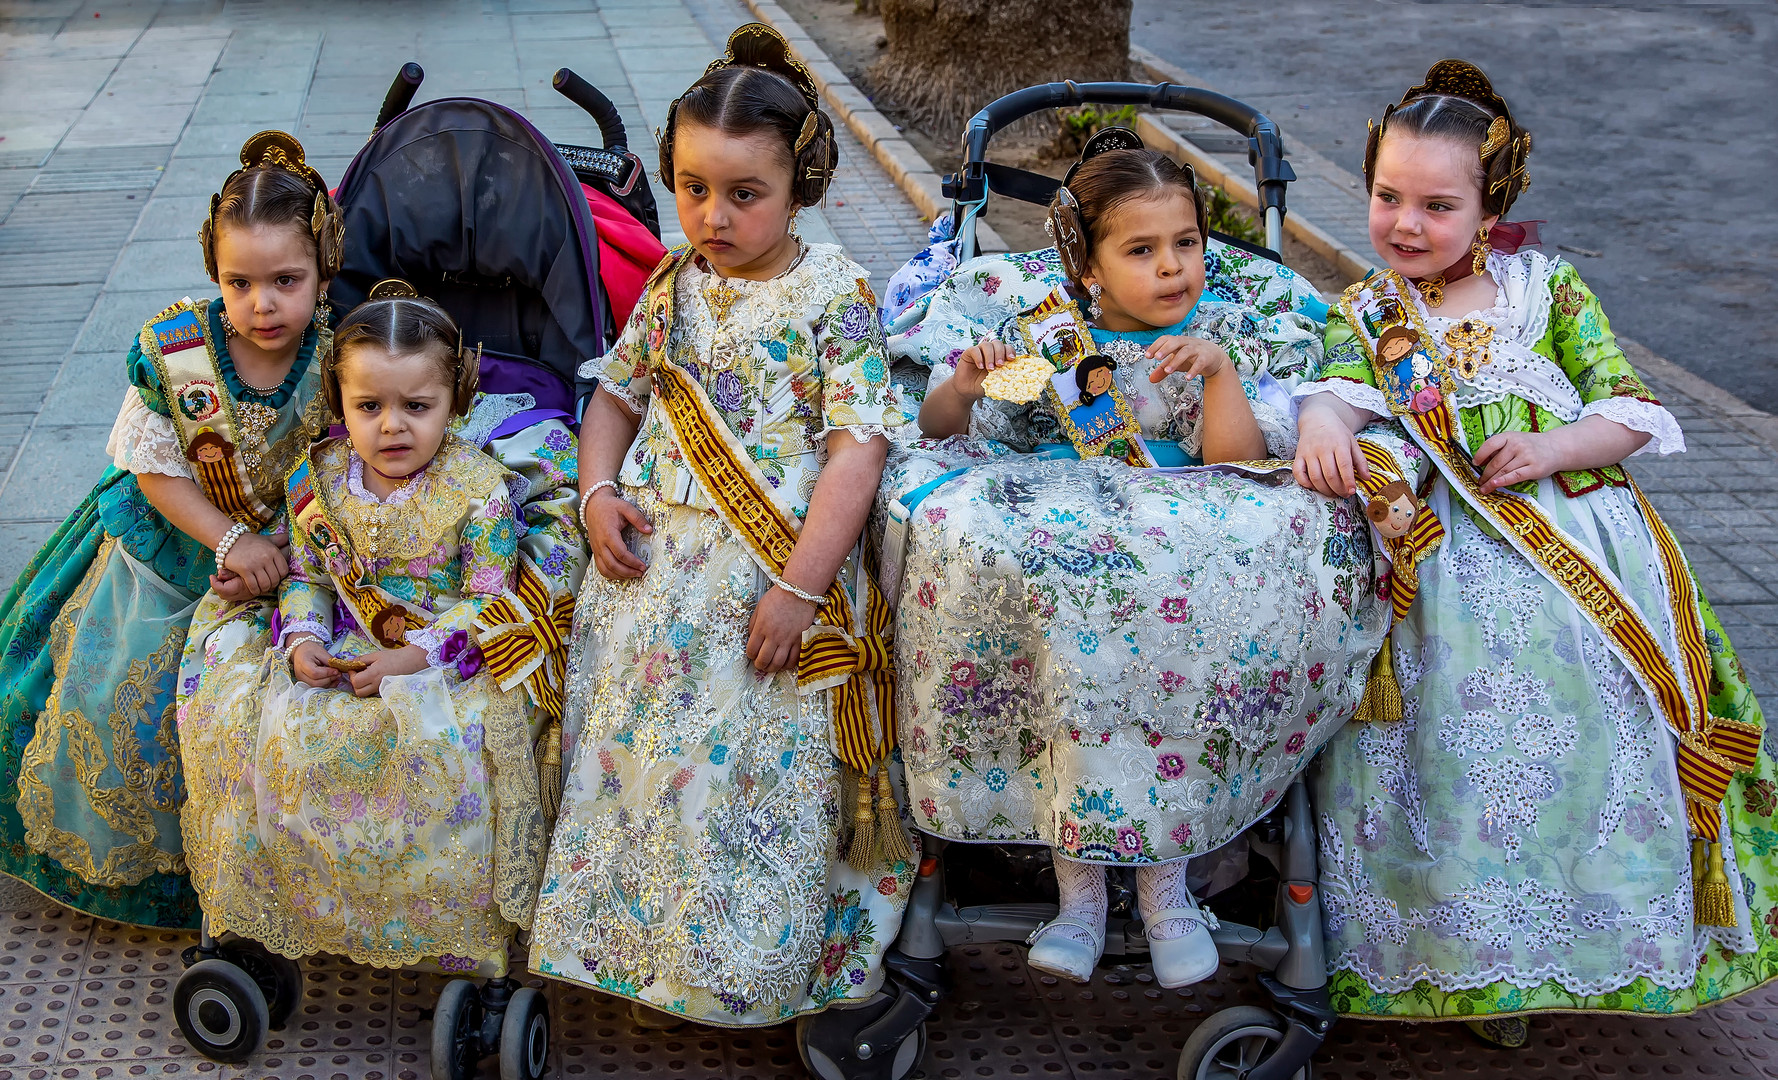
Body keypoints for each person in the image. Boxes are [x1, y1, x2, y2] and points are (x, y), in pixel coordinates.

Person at [1294, 60, 1775, 1046]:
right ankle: (1464, 958)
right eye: (1387, 197)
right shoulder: (1367, 315)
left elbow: (1629, 409)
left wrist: (1553, 444)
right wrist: (1319, 422)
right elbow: (1335, 389)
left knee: (1590, 742)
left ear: (1488, 205)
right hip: (1442, 581)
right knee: (1446, 758)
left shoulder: (1543, 291)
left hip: (1573, 554)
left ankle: (1588, 944)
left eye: (1435, 204)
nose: (1404, 225)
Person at [894, 129, 1387, 988]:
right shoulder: (1048, 340)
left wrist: (1220, 375)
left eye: (1187, 244)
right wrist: (968, 385)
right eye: (1142, 250)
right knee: (1074, 665)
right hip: (1071, 548)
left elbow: (1235, 466)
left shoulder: (1216, 334)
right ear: (1087, 267)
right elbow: (941, 430)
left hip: (1177, 555)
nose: (1173, 269)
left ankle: (1168, 892)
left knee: (1163, 656)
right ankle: (1077, 893)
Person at [526, 23, 913, 1028]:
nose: (712, 214)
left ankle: (739, 962)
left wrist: (799, 589)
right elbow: (614, 395)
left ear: (801, 184)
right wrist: (595, 491)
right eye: (693, 187)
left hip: (769, 586)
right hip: (650, 579)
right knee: (636, 764)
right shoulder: (668, 282)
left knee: (743, 775)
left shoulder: (834, 292)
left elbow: (856, 450)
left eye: (744, 193)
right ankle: (629, 944)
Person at [0, 132, 339, 927]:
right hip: (167, 551)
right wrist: (230, 541)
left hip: (287, 558)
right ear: (213, 272)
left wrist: (286, 550)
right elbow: (154, 470)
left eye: (286, 281)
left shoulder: (338, 359)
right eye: (239, 281)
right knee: (124, 707)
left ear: (324, 270)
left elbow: (339, 467)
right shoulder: (179, 349)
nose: (262, 304)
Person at [175, 283, 546, 973]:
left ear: (455, 401)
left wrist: (412, 661)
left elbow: (490, 601)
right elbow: (309, 577)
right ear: (340, 405)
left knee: (443, 753)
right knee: (285, 735)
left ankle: (441, 926)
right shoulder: (318, 483)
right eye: (369, 407)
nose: (392, 427)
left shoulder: (479, 490)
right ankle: (312, 908)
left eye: (417, 406)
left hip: (439, 665)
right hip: (343, 650)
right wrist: (304, 640)